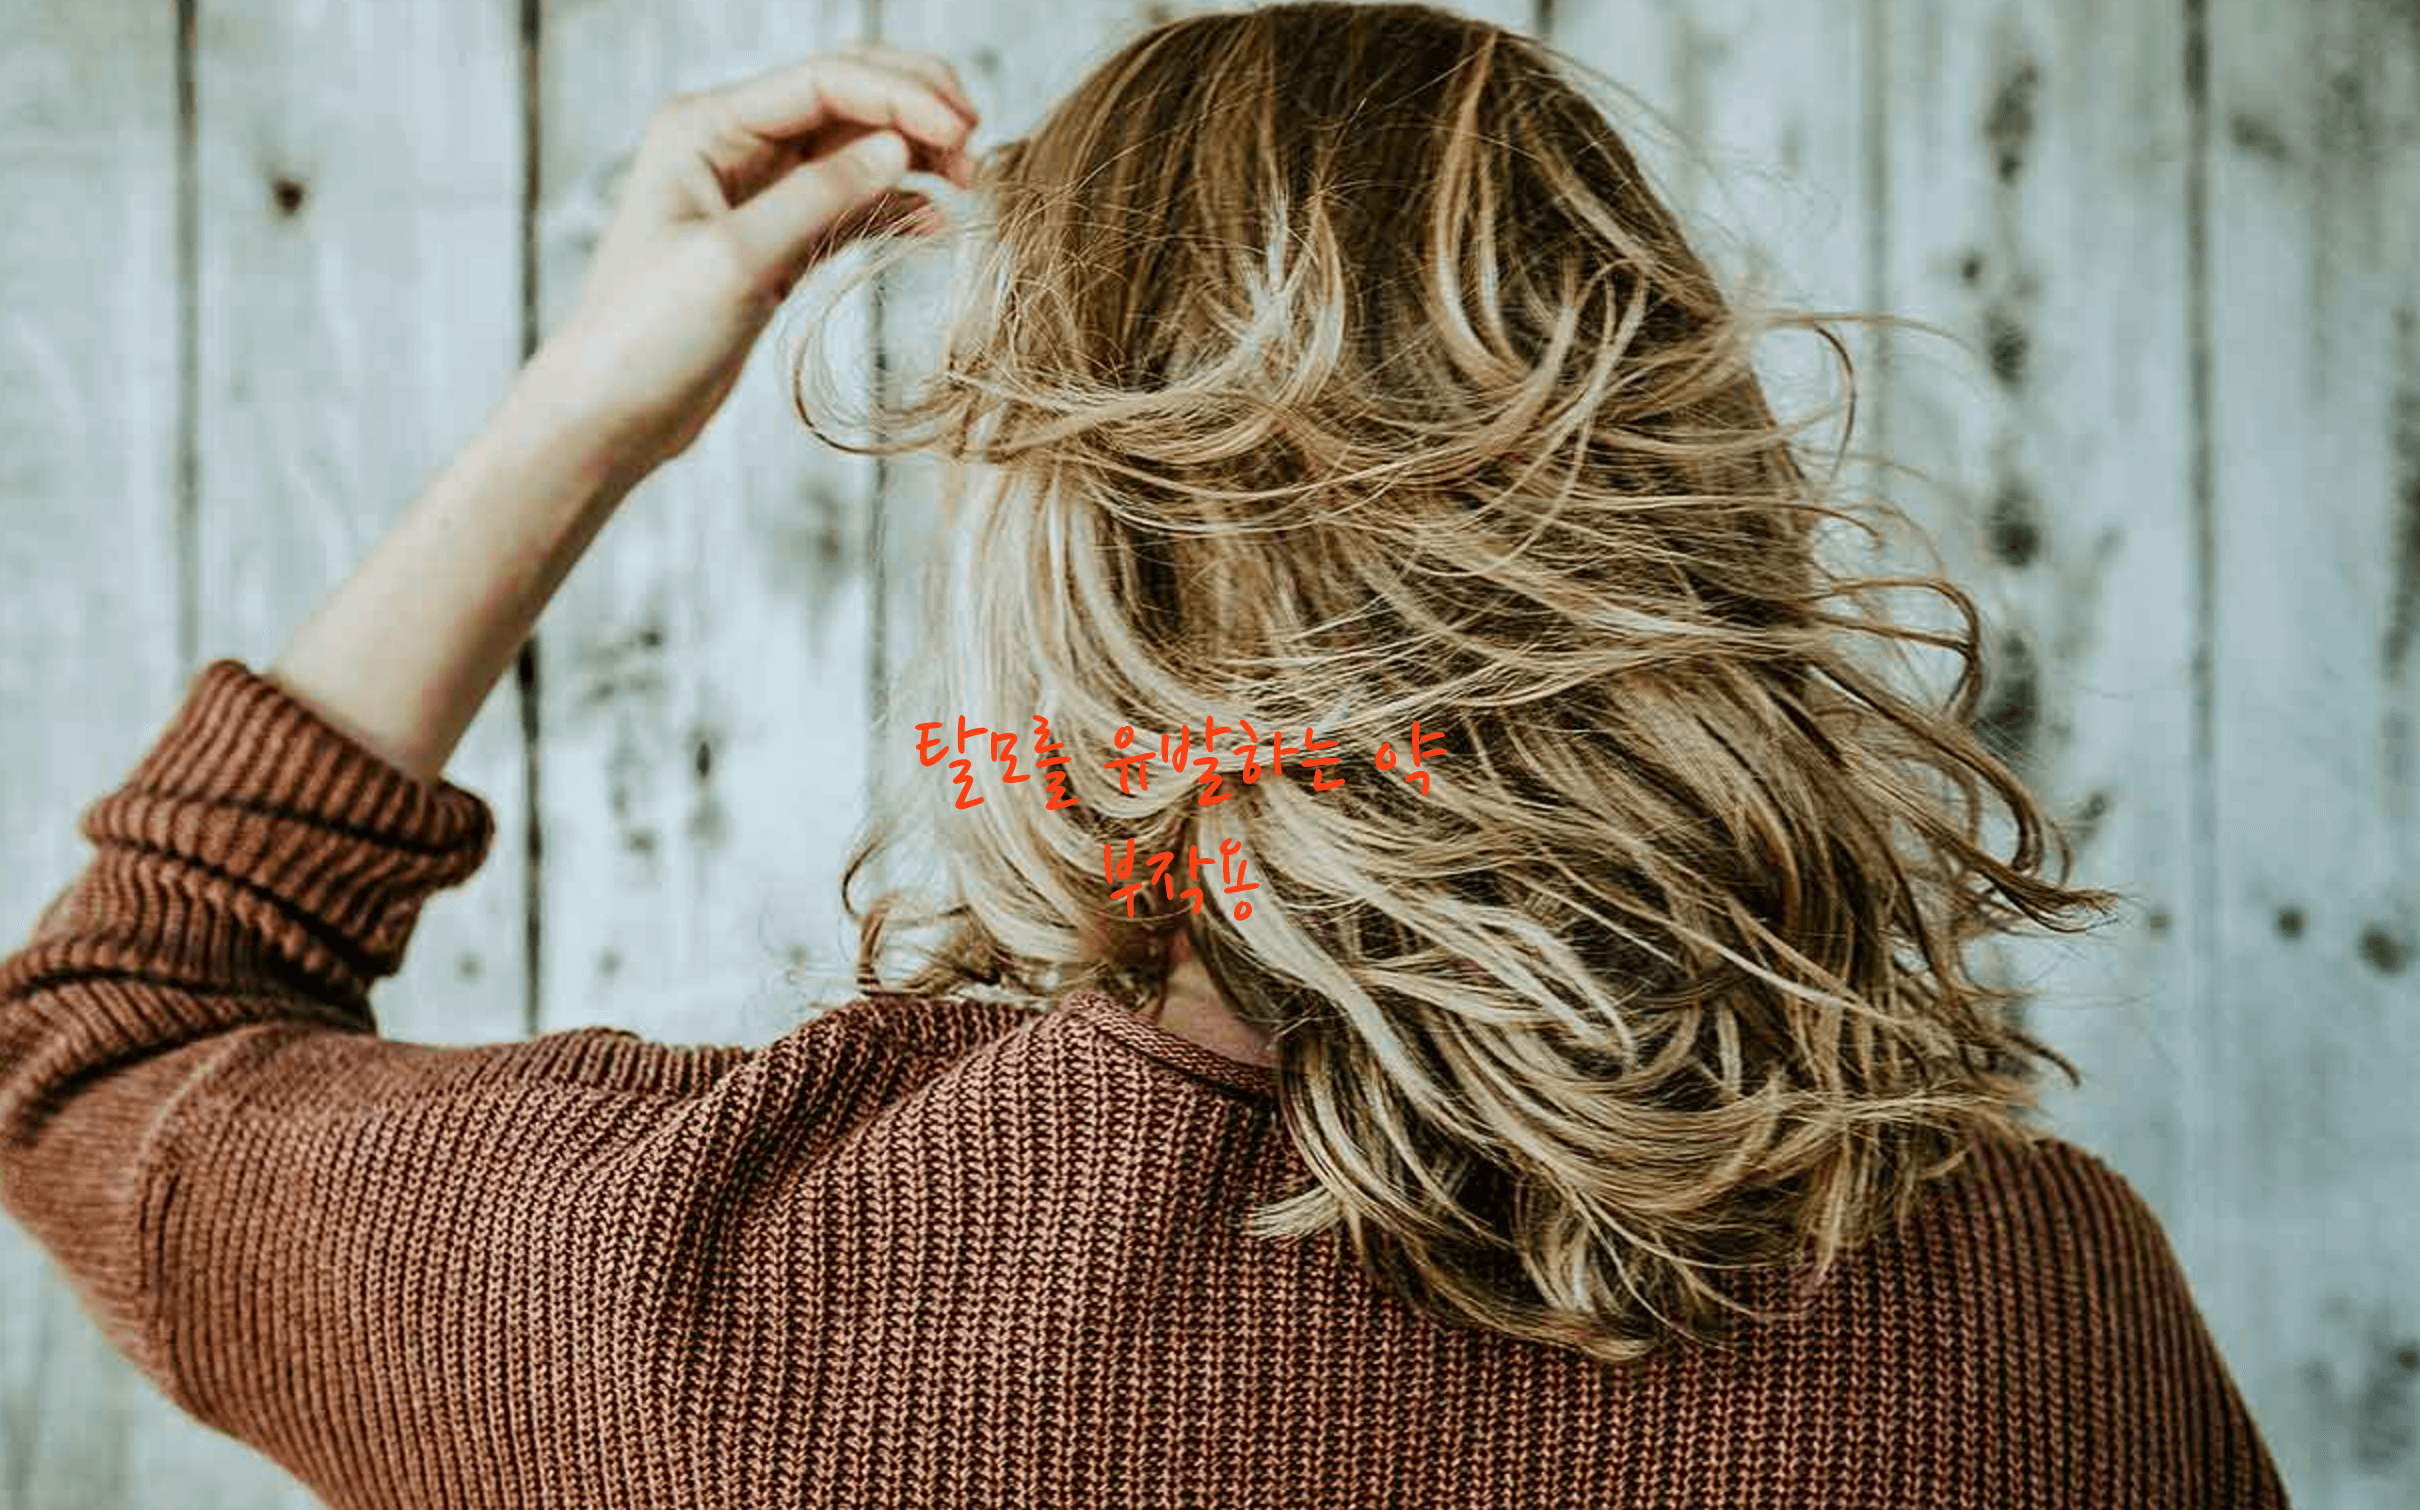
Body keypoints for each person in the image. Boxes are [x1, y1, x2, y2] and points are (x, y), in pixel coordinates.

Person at [0, 5, 2289, 1507]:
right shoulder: (2036, 1315)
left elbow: (108, 1029)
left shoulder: (691, 1288)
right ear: (1686, 500)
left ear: (1068, 570)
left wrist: (590, 399)